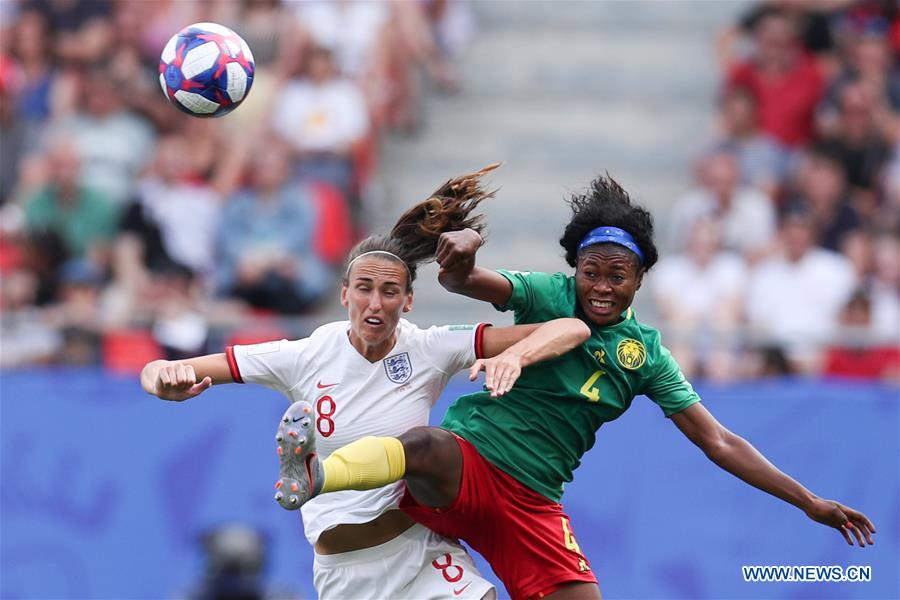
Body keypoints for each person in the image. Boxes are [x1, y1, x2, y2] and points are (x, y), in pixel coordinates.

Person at [288, 173, 876, 600]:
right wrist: (461, 256)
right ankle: (315, 474)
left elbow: (718, 443)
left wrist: (809, 502)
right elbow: (466, 280)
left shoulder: (646, 356)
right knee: (423, 446)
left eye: (616, 276)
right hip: (469, 464)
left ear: (640, 277)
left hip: (532, 503)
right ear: (575, 270)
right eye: (590, 272)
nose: (600, 287)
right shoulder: (547, 294)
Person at [140, 167, 591, 600]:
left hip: (421, 552)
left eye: (390, 291)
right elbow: (164, 369)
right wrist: (162, 379)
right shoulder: (304, 355)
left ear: (409, 300)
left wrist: (514, 354)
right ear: (344, 294)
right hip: (346, 574)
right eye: (364, 288)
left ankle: (318, 475)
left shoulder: (429, 348)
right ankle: (314, 476)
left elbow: (572, 329)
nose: (375, 303)